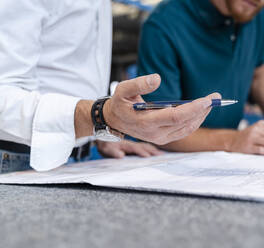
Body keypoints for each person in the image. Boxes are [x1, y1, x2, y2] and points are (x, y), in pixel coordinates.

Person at [0, 0, 219, 173]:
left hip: (74, 158)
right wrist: (100, 116)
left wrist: (99, 134)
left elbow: (65, 73)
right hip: (14, 160)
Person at [138, 0, 264, 156]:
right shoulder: (163, 25)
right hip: (173, 161)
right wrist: (234, 140)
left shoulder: (254, 10)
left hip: (228, 157)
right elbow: (158, 128)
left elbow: (259, 72)